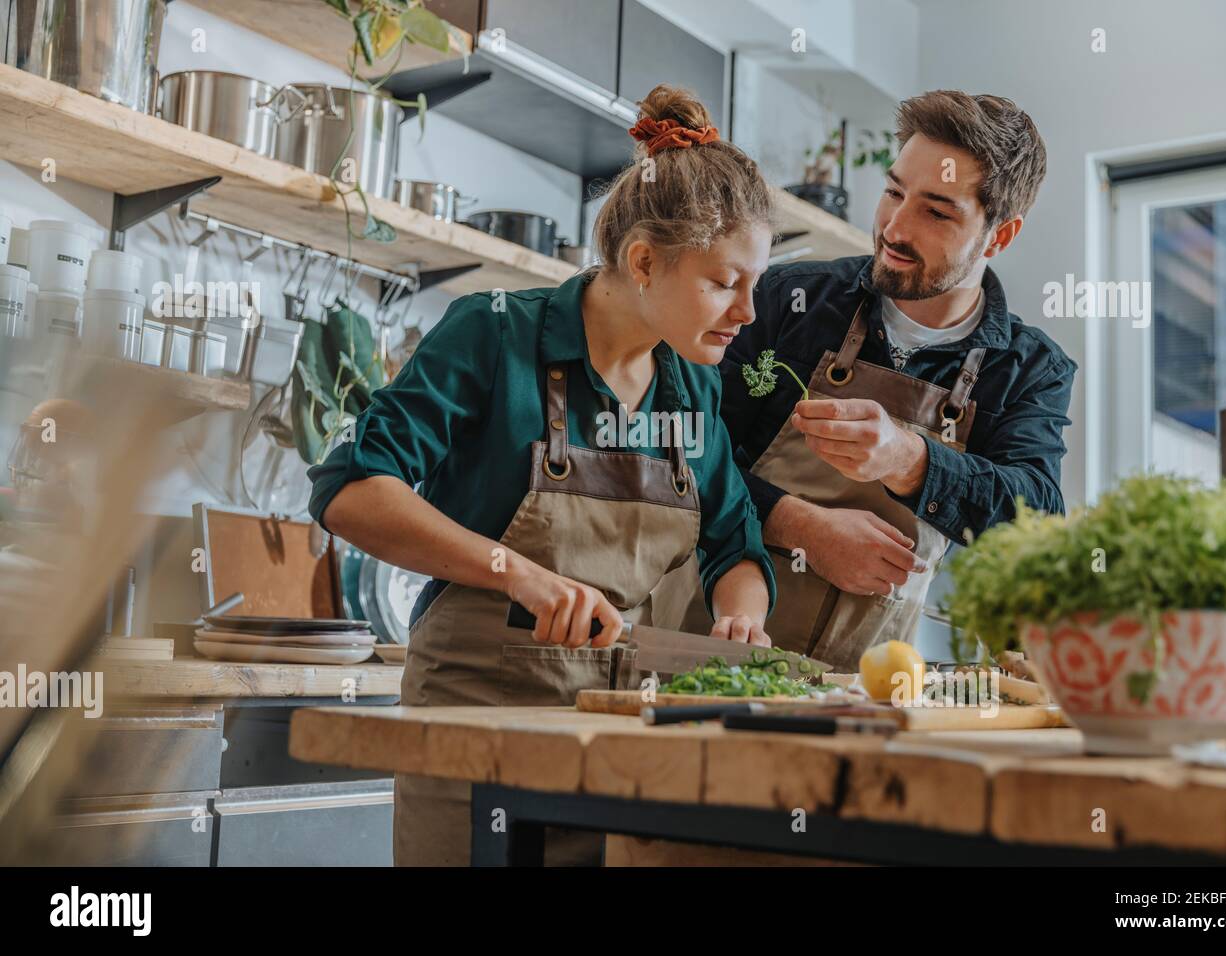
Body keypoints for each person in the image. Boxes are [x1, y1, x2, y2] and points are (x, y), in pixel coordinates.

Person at [306, 85, 778, 866]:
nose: (748, 312)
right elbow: (351, 491)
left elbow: (736, 542)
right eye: (726, 282)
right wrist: (516, 573)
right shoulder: (492, 333)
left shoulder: (690, 385)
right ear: (642, 261)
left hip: (619, 739)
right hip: (474, 726)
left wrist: (742, 617)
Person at [658, 90, 1076, 672]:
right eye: (893, 192)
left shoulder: (1028, 369)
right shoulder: (787, 301)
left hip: (862, 693)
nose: (894, 229)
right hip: (698, 656)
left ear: (999, 236)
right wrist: (797, 526)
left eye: (936, 211)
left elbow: (1035, 521)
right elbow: (674, 448)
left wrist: (910, 459)